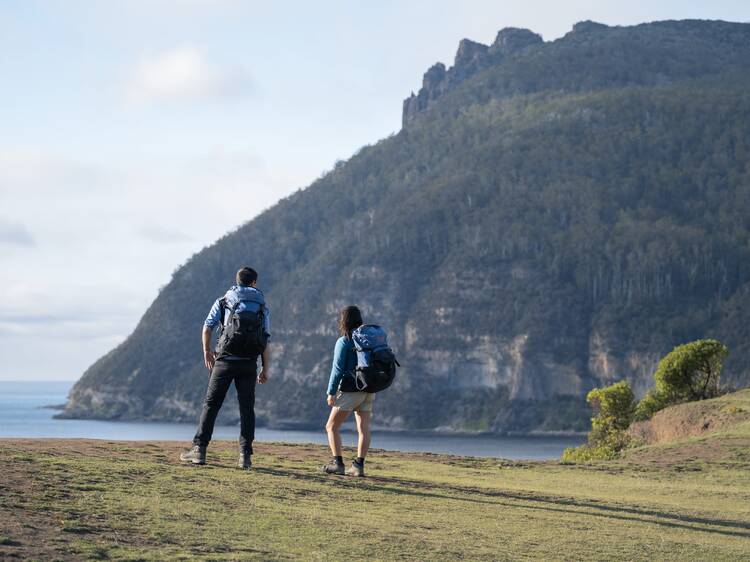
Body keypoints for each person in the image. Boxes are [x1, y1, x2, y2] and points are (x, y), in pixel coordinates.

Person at [180, 267, 270, 469]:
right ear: (254, 283)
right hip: (248, 363)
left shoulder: (224, 300)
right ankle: (245, 457)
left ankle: (199, 451)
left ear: (236, 281)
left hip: (224, 360)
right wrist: (265, 368)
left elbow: (207, 326)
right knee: (247, 409)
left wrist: (206, 351)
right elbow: (265, 339)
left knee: (211, 405)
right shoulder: (262, 306)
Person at [322, 305, 372, 477]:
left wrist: (331, 392)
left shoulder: (344, 341)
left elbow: (337, 370)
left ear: (344, 321)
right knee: (363, 428)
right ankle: (359, 466)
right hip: (369, 388)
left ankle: (338, 464)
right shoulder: (368, 340)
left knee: (331, 427)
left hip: (351, 389)